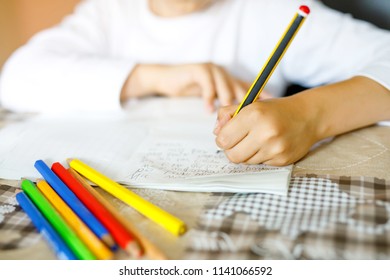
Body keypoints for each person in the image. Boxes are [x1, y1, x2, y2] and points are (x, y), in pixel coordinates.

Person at [1, 0, 389, 165]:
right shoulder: (109, 11)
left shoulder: (271, 10)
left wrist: (310, 115)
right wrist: (154, 77)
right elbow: (15, 79)